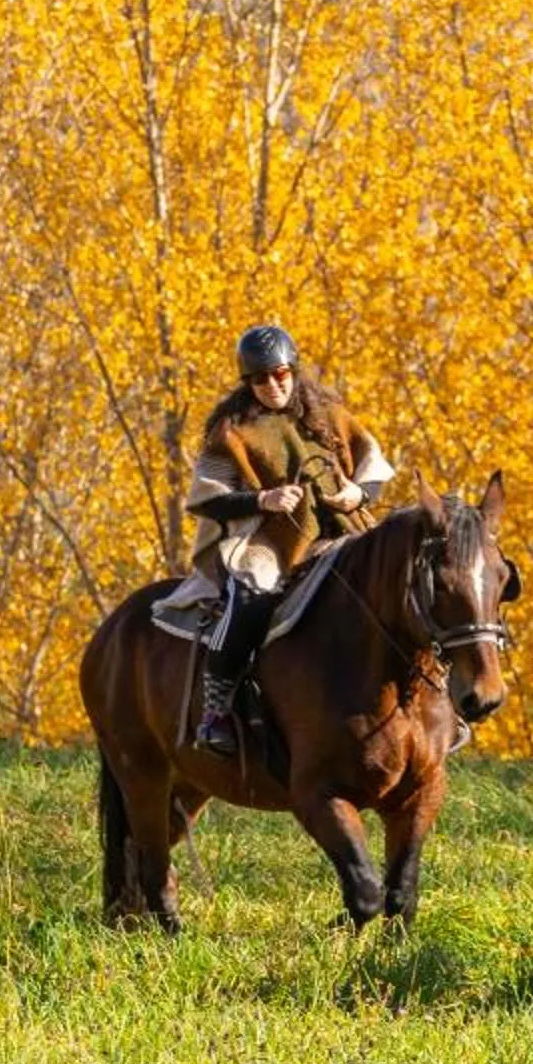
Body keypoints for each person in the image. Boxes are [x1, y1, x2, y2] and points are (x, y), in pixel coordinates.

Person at [183, 324, 393, 758]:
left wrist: (359, 492)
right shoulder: (232, 431)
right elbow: (207, 498)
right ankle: (216, 711)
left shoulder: (329, 415)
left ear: (293, 371)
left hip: (342, 532)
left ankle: (441, 701)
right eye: (260, 378)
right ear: (248, 382)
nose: (272, 385)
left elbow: (373, 462)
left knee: (403, 582)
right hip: (268, 541)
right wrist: (264, 498)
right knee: (251, 591)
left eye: (280, 374)